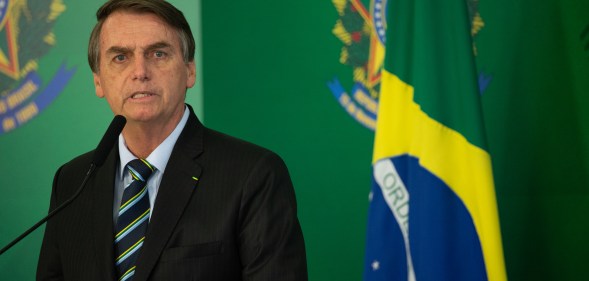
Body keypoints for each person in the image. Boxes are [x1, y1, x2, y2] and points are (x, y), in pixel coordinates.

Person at [36, 0, 307, 280]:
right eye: (120, 57)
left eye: (158, 54)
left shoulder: (253, 175)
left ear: (189, 70)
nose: (140, 72)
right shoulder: (72, 182)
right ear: (98, 81)